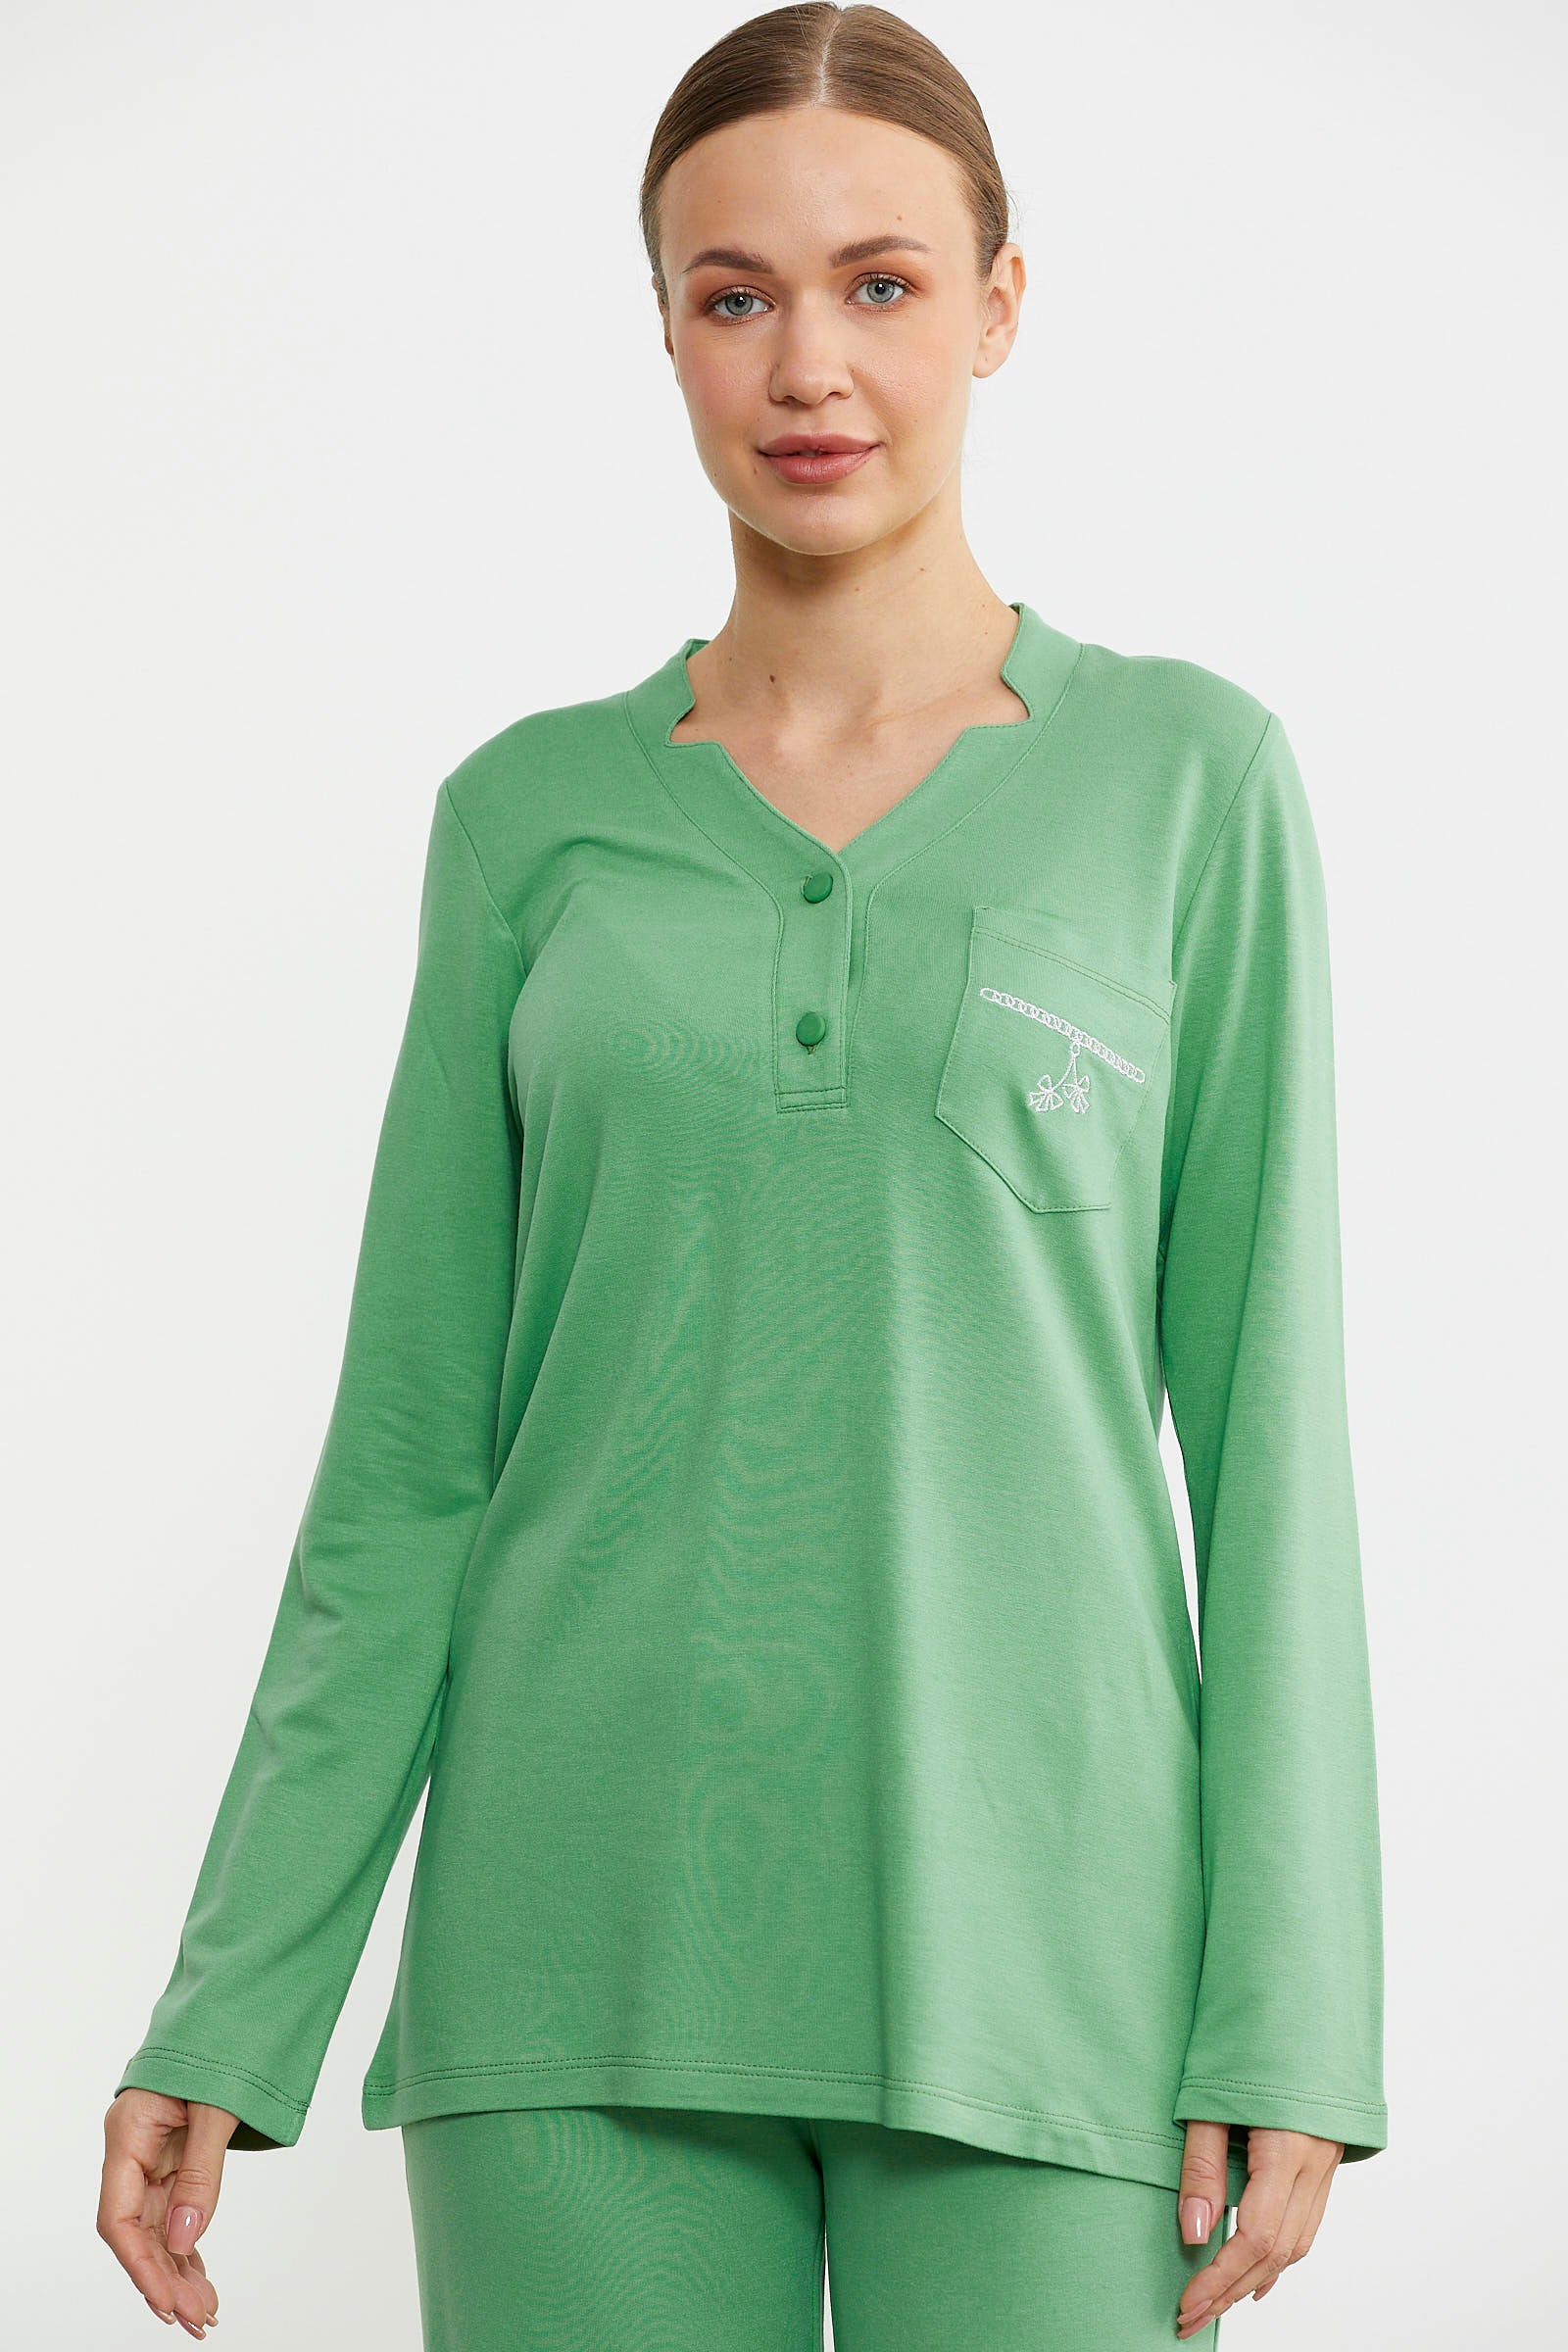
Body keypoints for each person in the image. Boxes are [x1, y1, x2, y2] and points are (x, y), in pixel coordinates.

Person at [98, 7, 1388, 2345]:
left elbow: (1268, 1439)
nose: (807, 366)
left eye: (880, 283)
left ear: (998, 304)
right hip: (570, 1967)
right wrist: (233, 2001)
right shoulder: (525, 822)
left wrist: (1287, 2010)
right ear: (667, 327)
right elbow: (408, 1469)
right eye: (734, 295)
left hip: (1051, 1977)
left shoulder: (1184, 788)